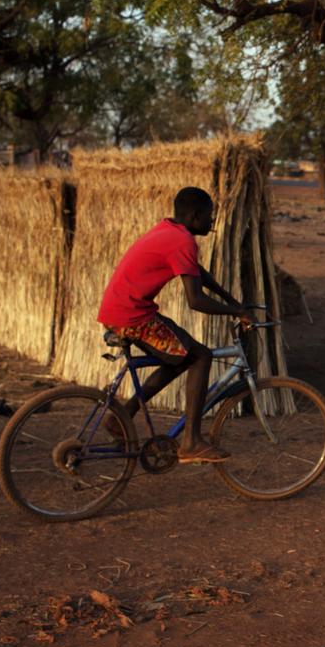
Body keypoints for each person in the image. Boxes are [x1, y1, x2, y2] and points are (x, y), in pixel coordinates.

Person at [96, 186, 252, 464]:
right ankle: (191, 442)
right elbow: (196, 300)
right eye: (209, 215)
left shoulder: (169, 230)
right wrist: (236, 311)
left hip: (122, 310)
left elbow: (197, 273)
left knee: (180, 355)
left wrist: (234, 302)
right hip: (133, 316)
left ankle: (122, 416)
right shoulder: (183, 241)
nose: (212, 221)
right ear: (194, 216)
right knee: (200, 356)